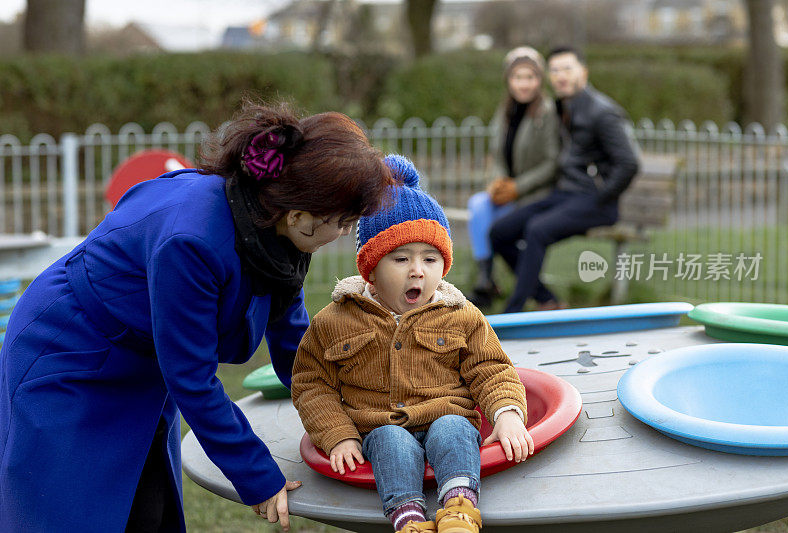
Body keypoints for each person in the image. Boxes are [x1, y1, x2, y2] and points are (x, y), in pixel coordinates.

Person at [0, 99, 393, 532]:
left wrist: (356, 411)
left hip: (139, 358)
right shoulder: (192, 242)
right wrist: (257, 476)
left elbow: (294, 343)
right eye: (340, 222)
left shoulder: (273, 223)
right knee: (71, 514)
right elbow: (192, 377)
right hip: (71, 354)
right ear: (299, 215)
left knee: (148, 508)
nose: (340, 234)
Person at [291, 155, 533, 533]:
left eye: (431, 258)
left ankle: (459, 508)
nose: (418, 270)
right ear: (370, 270)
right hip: (377, 426)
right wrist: (337, 434)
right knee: (392, 441)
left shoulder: (460, 314)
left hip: (444, 413)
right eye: (401, 258)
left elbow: (491, 368)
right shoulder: (335, 321)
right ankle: (408, 518)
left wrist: (507, 413)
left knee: (453, 428)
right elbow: (312, 383)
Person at [489, 45, 640, 313]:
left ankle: (513, 313)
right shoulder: (562, 106)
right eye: (555, 70)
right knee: (499, 232)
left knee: (537, 229)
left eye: (568, 69)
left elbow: (629, 163)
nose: (561, 76)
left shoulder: (602, 112)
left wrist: (601, 197)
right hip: (565, 194)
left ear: (583, 71)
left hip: (596, 203)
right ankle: (546, 297)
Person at [467, 46, 559, 308]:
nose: (523, 84)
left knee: (498, 231)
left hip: (534, 195)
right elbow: (496, 155)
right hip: (506, 191)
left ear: (539, 80)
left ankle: (540, 295)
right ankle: (485, 279)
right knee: (479, 205)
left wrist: (517, 187)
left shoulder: (547, 112)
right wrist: (497, 182)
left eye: (530, 77)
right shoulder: (505, 110)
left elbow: (552, 163)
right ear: (508, 80)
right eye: (517, 77)